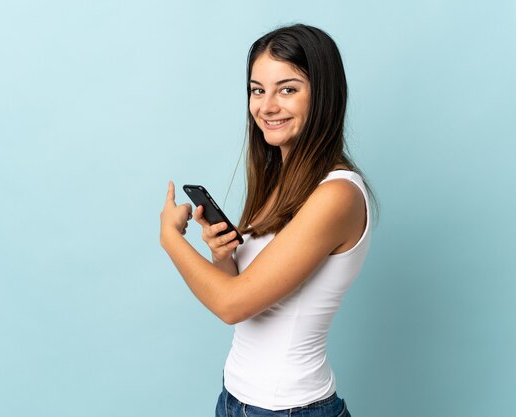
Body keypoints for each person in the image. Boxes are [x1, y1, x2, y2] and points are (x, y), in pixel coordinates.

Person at [160, 23, 375, 417]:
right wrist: (222, 256)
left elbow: (232, 305)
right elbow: (247, 298)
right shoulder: (281, 180)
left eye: (287, 89)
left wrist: (171, 239)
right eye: (258, 90)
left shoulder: (337, 195)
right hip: (235, 400)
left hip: (290, 409)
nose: (267, 106)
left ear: (323, 95)